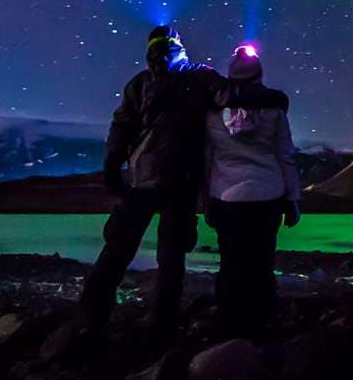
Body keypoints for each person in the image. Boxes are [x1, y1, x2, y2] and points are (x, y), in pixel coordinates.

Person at [76, 26, 289, 348]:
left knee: (117, 251)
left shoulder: (140, 82)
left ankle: (90, 321)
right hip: (182, 183)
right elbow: (231, 95)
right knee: (171, 259)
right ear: (179, 46)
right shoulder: (200, 76)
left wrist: (112, 167)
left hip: (141, 179)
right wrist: (273, 98)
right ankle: (160, 328)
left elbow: (121, 126)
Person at [204, 44, 300, 344]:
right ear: (259, 75)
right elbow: (286, 156)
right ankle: (260, 328)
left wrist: (205, 201)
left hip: (226, 198)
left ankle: (229, 327)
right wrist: (292, 198)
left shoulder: (211, 113)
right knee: (261, 265)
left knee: (231, 264)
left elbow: (207, 159)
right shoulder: (275, 113)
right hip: (267, 196)